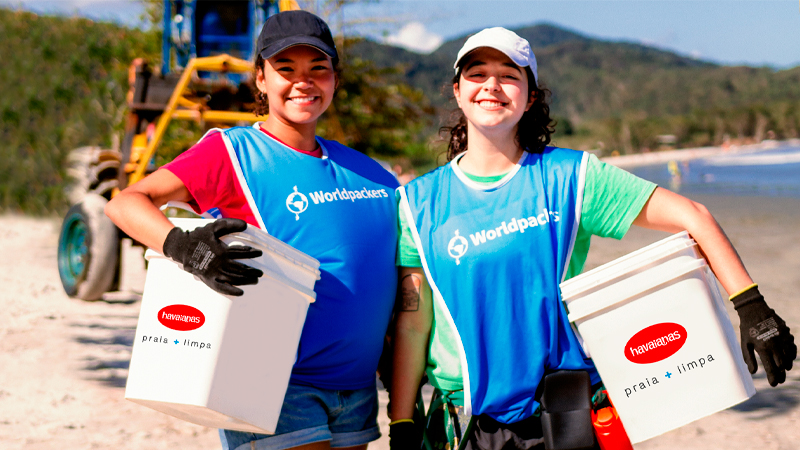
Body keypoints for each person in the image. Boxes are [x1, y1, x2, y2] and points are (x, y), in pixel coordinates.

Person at [388, 27, 796, 450]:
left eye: (509, 75)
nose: (492, 85)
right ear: (458, 92)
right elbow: (413, 322)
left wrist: (752, 307)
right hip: (466, 423)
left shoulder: (572, 177)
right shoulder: (417, 203)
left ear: (529, 97)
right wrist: (401, 421)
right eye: (477, 73)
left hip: (566, 414)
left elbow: (693, 217)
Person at [105, 11, 399, 450]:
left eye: (318, 69)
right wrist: (185, 247)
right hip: (276, 386)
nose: (304, 82)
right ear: (260, 79)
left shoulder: (370, 173)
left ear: (335, 79)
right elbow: (127, 202)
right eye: (286, 69)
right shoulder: (234, 152)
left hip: (356, 391)